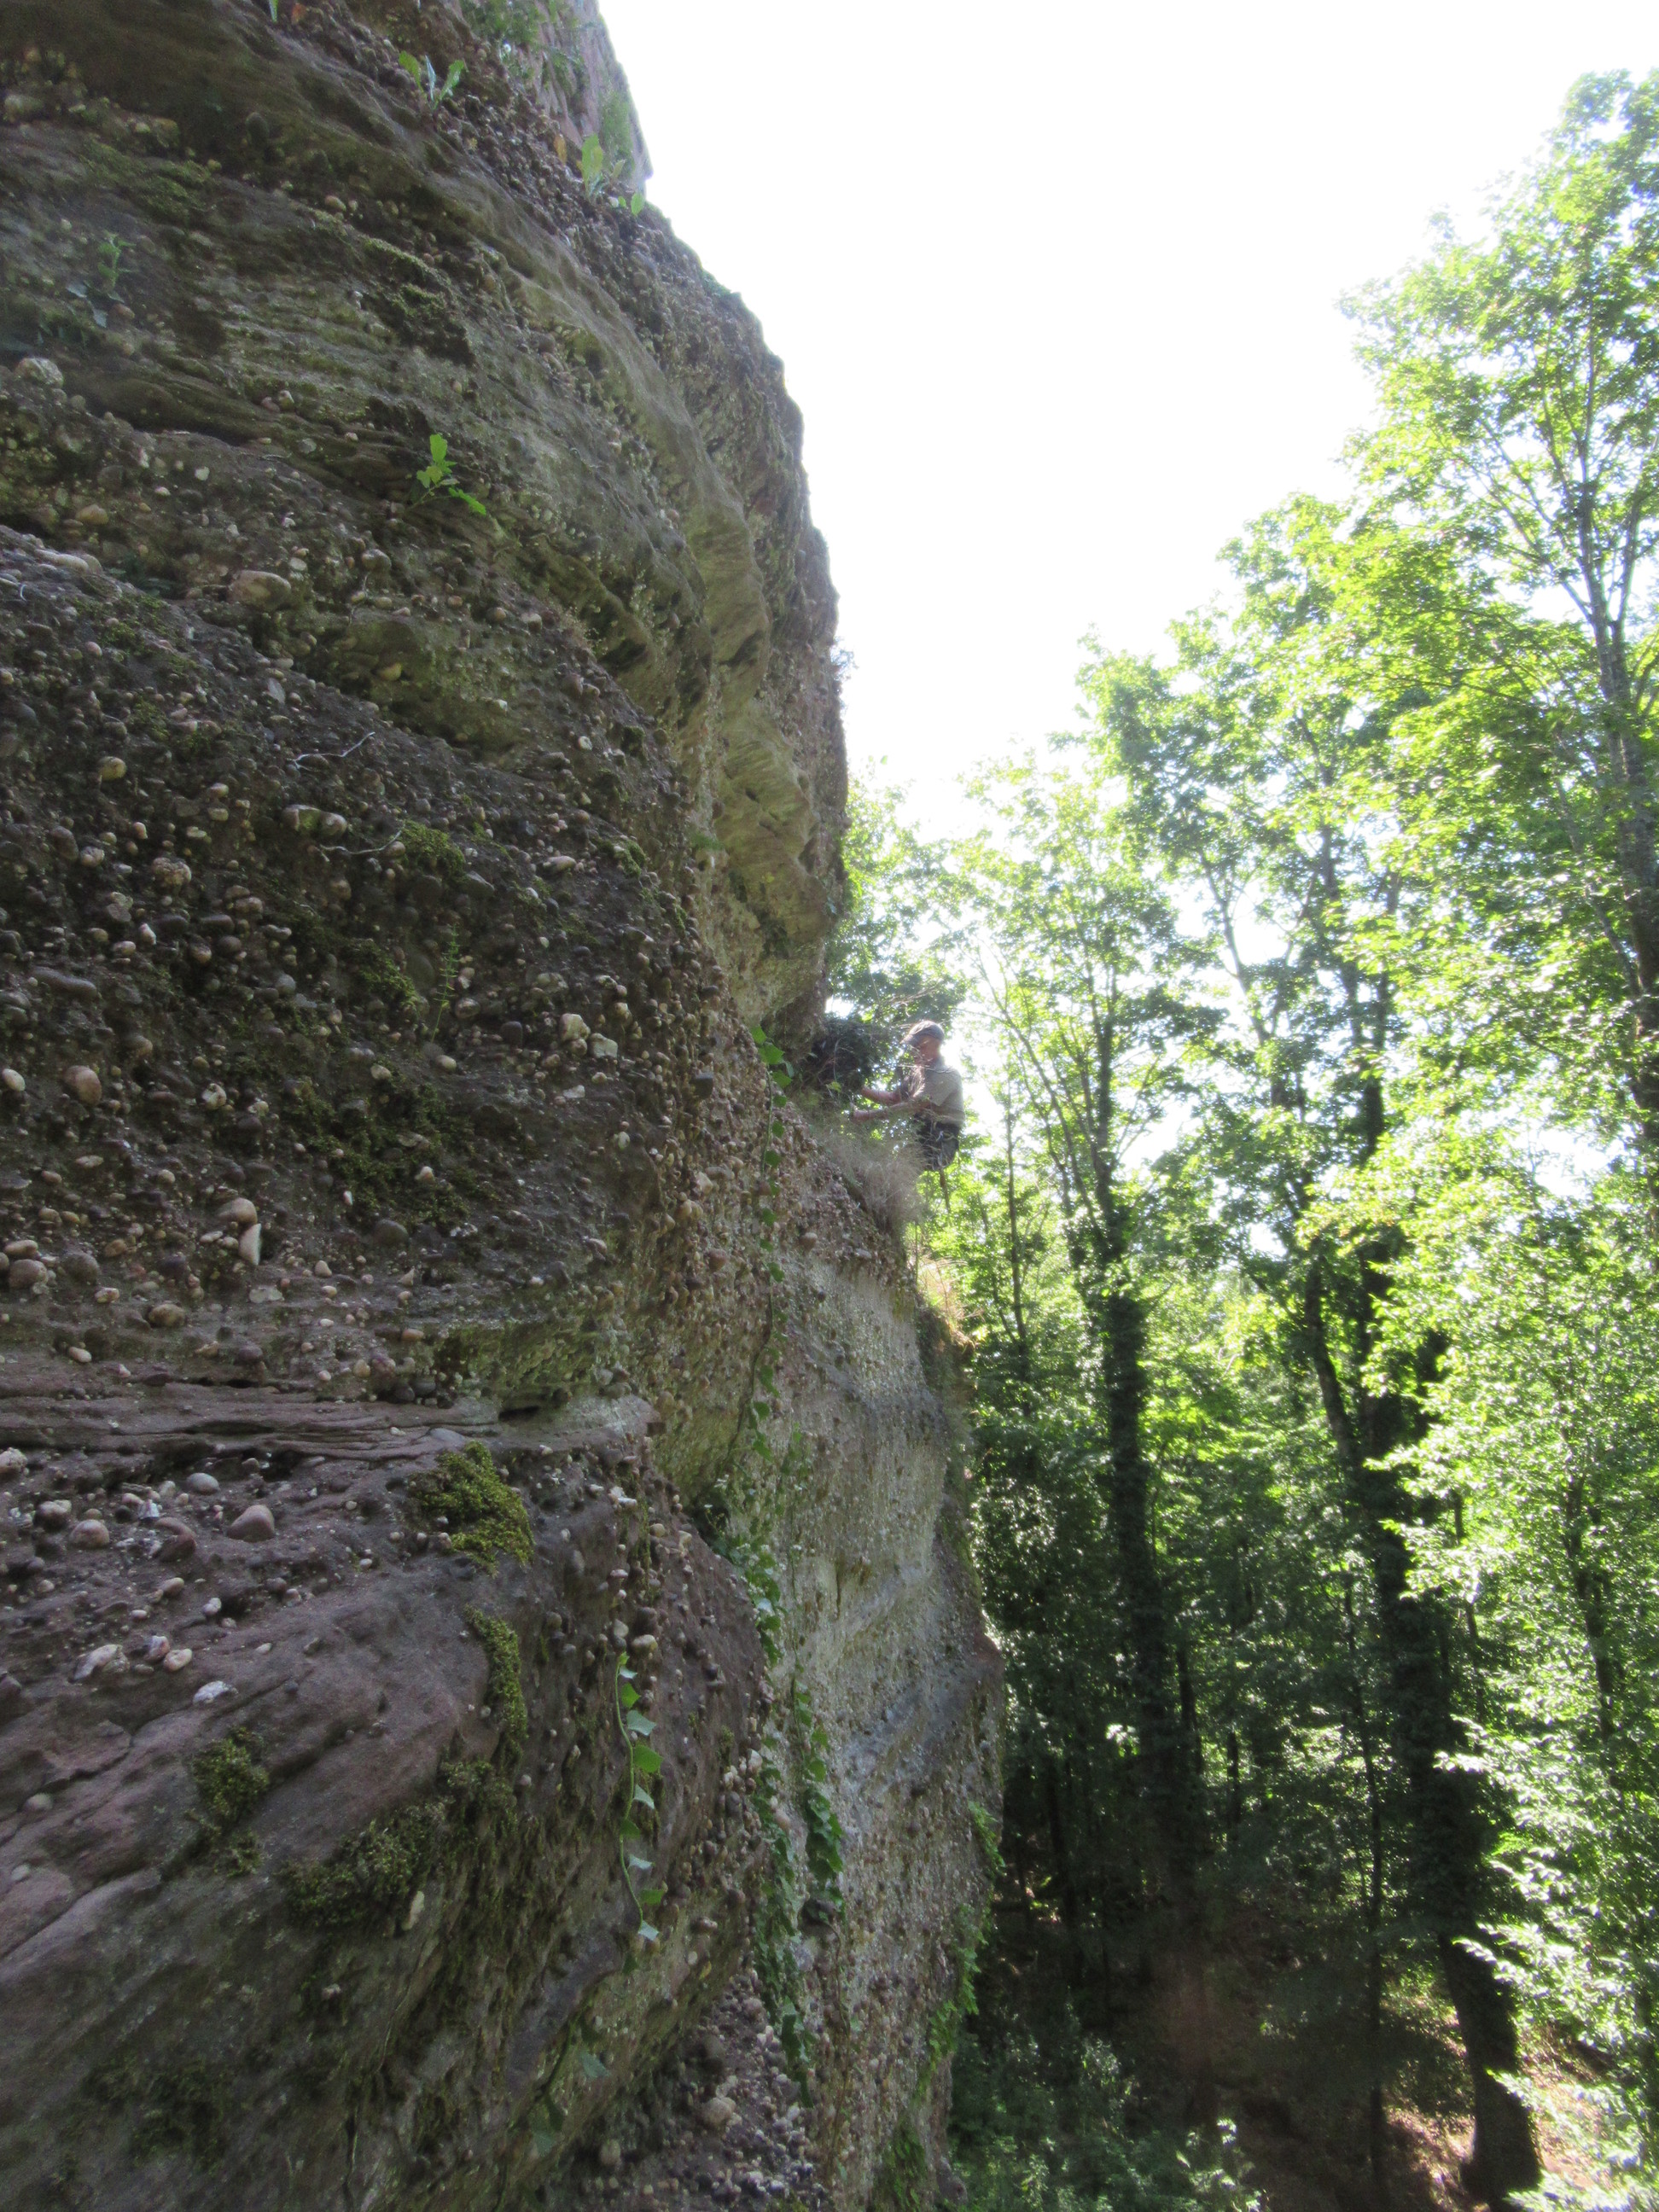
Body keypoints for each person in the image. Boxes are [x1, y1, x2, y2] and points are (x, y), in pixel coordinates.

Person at [851, 1020, 964, 1172]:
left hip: (941, 1140)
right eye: (913, 1047)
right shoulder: (917, 1073)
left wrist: (865, 1115)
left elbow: (912, 1106)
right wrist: (858, 1087)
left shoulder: (946, 1073)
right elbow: (893, 1098)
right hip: (921, 1134)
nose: (914, 1051)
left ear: (936, 1044)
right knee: (892, 1168)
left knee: (898, 1170)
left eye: (920, 1046)